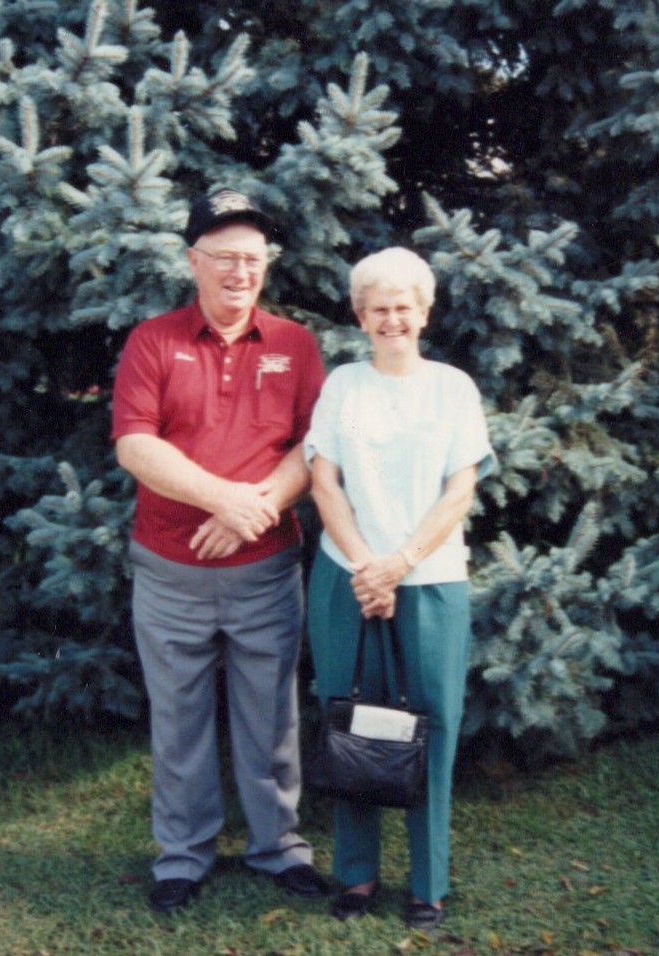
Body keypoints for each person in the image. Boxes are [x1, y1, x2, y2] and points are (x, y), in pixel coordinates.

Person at [111, 188, 330, 914]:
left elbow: (315, 445)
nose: (241, 271)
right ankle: (182, 857)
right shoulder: (153, 341)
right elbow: (135, 443)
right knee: (179, 721)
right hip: (170, 568)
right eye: (225, 257)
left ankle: (280, 848)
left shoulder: (295, 344)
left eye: (253, 258)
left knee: (271, 717)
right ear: (193, 261)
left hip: (266, 568)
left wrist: (253, 511)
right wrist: (221, 500)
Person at [303, 246, 494, 930]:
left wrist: (400, 564)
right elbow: (324, 482)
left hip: (431, 580)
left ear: (425, 311)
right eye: (378, 308)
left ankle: (427, 884)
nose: (392, 319)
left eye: (404, 307)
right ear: (360, 316)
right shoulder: (343, 385)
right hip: (347, 579)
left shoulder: (453, 388)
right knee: (350, 718)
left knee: (432, 727)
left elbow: (460, 489)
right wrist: (367, 568)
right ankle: (356, 874)